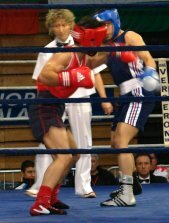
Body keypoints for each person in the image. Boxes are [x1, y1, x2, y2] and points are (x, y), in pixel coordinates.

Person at [26, 9, 113, 199]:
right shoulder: (49, 50)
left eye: (64, 24)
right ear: (51, 28)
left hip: (79, 95)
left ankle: (83, 185)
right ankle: (41, 185)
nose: (61, 29)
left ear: (71, 26)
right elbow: (41, 79)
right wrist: (71, 77)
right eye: (56, 25)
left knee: (80, 143)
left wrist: (104, 97)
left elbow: (95, 70)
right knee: (50, 142)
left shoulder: (85, 47)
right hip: (53, 100)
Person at [91, 8, 160, 207]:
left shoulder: (129, 36)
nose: (103, 30)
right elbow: (89, 62)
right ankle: (134, 184)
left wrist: (149, 74)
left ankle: (127, 193)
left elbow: (148, 59)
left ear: (115, 22)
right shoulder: (106, 46)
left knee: (122, 140)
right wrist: (83, 44)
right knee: (115, 141)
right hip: (125, 97)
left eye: (106, 25)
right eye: (100, 27)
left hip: (139, 91)